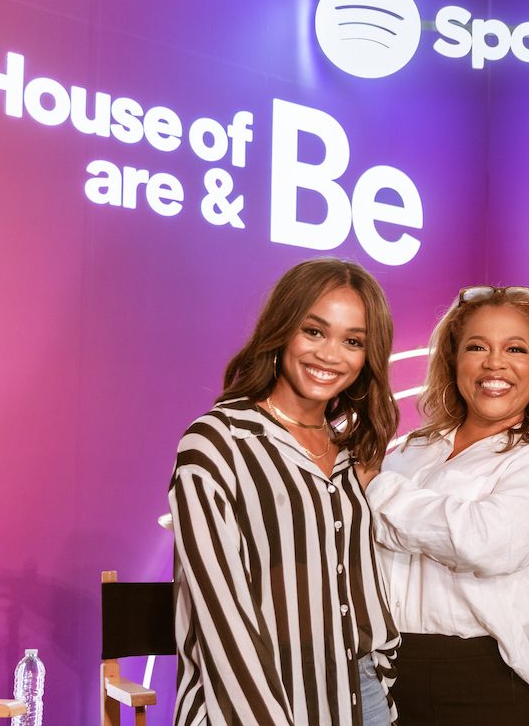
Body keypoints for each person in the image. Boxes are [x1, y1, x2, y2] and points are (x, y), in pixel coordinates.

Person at [170, 258, 400, 726]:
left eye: (352, 341)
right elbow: (219, 614)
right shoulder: (219, 441)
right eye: (314, 331)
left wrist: (383, 676)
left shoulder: (350, 455)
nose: (330, 355)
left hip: (361, 699)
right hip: (255, 703)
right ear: (282, 328)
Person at [365, 285, 529, 725]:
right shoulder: (410, 451)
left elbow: (487, 542)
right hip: (384, 669)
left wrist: (376, 491)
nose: (494, 363)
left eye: (516, 349)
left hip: (481, 679)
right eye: (476, 346)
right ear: (454, 361)